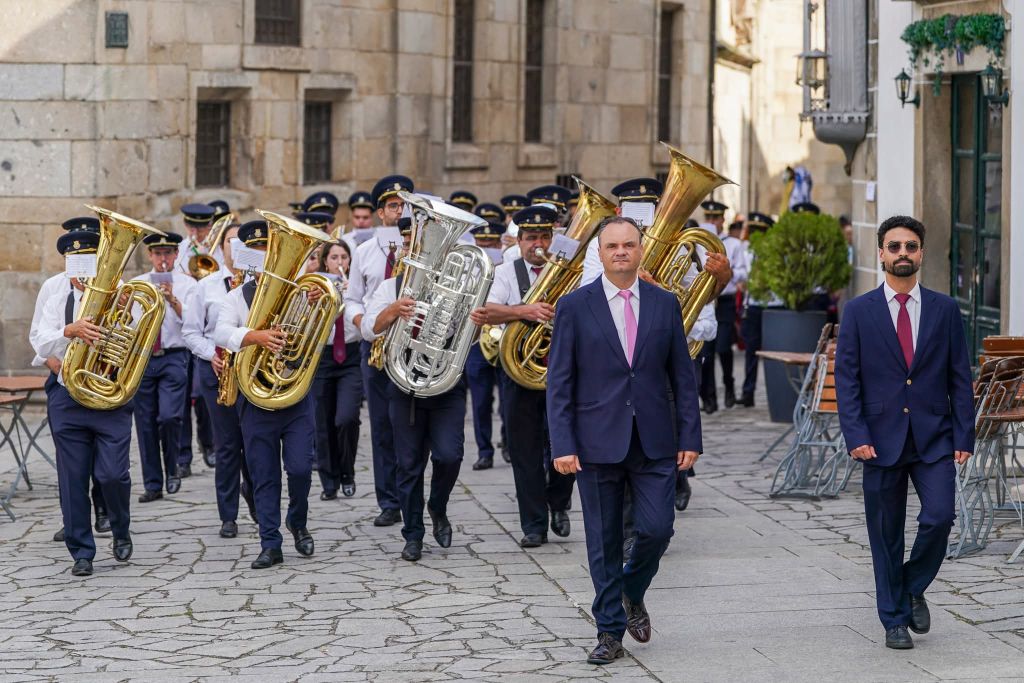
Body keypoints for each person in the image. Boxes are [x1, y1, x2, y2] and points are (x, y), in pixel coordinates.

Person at [547, 216, 701, 664]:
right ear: (600, 252)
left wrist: (689, 435)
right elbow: (560, 382)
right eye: (612, 246)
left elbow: (682, 377)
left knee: (657, 529)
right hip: (595, 442)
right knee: (602, 539)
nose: (620, 252)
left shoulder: (664, 303)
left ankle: (631, 592)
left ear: (640, 250)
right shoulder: (574, 306)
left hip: (655, 440)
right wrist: (562, 444)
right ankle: (609, 631)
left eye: (628, 245)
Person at [836, 215, 974, 650]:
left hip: (934, 437)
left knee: (940, 517)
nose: (902, 254)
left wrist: (964, 437)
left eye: (910, 247)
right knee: (885, 533)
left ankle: (911, 585)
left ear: (921, 254)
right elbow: (848, 379)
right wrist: (855, 433)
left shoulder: (945, 309)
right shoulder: (858, 311)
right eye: (893, 246)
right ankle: (893, 619)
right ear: (881, 253)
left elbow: (959, 377)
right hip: (877, 440)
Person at [360, 218, 467, 562]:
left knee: (450, 456)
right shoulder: (390, 287)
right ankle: (413, 535)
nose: (416, 250)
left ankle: (437, 505)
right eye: (411, 245)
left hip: (445, 384)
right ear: (404, 250)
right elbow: (367, 329)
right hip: (403, 384)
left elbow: (466, 334)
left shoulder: (455, 288)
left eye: (423, 245)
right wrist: (392, 311)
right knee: (407, 464)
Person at [30, 230, 136, 577]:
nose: (80, 269)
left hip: (108, 393)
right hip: (67, 394)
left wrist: (125, 313)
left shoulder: (119, 288)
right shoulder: (53, 288)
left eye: (88, 260)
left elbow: (138, 339)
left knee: (113, 474)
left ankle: (120, 528)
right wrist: (68, 331)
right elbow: (39, 340)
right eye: (74, 262)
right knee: (72, 477)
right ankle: (82, 551)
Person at [213, 219, 317, 569]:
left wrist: (314, 302)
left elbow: (325, 320)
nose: (262, 255)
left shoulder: (300, 290)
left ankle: (297, 520)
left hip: (294, 392)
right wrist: (257, 337)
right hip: (255, 397)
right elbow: (221, 332)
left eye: (266, 249)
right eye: (255, 250)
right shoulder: (233, 298)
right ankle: (270, 542)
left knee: (301, 468)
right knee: (263, 473)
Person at [470, 206, 574, 547]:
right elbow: (486, 312)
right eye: (531, 238)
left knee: (566, 442)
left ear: (554, 236)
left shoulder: (569, 269)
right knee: (525, 448)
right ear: (519, 240)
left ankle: (559, 503)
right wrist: (524, 311)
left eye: (545, 236)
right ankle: (533, 524)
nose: (539, 244)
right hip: (519, 371)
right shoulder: (506, 271)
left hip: (562, 370)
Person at [30, 219, 110, 542]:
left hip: (99, 380)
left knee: (104, 457)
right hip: (62, 380)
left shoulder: (109, 287)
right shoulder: (52, 287)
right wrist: (58, 368)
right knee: (70, 461)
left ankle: (104, 508)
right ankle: (73, 518)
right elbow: (37, 336)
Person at [345, 174, 415, 527]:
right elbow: (352, 297)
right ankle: (389, 500)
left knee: (412, 425)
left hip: (414, 345)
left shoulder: (419, 247)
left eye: (405, 205)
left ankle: (412, 493)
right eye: (393, 206)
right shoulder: (364, 252)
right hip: (376, 345)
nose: (400, 211)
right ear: (379, 213)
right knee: (383, 426)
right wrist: (360, 322)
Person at [181, 222, 256, 538]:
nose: (237, 245)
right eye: (231, 240)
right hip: (216, 372)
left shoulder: (260, 284)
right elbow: (190, 332)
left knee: (254, 441)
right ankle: (228, 515)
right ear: (221, 247)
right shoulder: (206, 285)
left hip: (253, 373)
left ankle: (256, 497)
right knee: (227, 444)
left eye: (243, 241)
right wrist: (212, 353)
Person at [132, 232, 197, 503]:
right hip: (144, 358)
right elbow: (130, 324)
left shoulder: (188, 284)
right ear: (150, 256)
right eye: (158, 254)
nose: (163, 259)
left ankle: (173, 468)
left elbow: (193, 322)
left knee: (170, 417)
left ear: (175, 255)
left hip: (174, 355)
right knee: (145, 423)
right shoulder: (137, 284)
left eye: (168, 253)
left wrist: (171, 299)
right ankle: (153, 483)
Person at [313, 239, 363, 500]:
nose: (340, 262)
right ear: (325, 261)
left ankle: (348, 472)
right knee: (323, 422)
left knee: (346, 418)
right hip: (322, 357)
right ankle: (329, 480)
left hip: (351, 357)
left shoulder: (355, 286)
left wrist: (351, 295)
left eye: (344, 257)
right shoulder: (316, 287)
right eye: (334, 257)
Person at [465, 217, 507, 471]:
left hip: (503, 340)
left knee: (508, 400)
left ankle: (509, 442)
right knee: (480, 402)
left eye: (492, 242)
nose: (487, 246)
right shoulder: (467, 268)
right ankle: (484, 451)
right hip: (476, 341)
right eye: (482, 242)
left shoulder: (509, 267)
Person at [699, 200, 748, 412]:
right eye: (708, 218)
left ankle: (729, 385)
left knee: (723, 347)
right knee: (707, 352)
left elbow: (743, 273)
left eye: (715, 218)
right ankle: (709, 398)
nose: (711, 222)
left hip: (725, 301)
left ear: (722, 220)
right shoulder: (699, 242)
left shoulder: (733, 244)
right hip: (707, 299)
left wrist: (725, 273)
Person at [737, 211, 782, 407]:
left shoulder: (776, 251)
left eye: (759, 232)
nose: (755, 236)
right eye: (753, 231)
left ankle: (777, 393)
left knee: (776, 352)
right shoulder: (746, 250)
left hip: (774, 305)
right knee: (751, 352)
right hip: (754, 305)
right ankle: (748, 392)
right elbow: (740, 272)